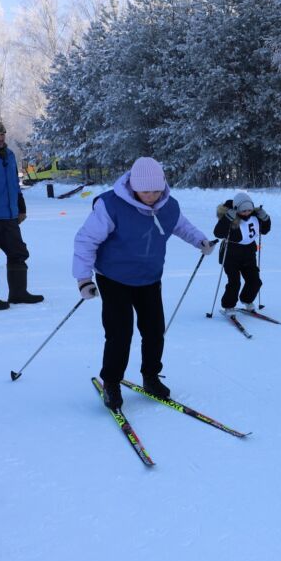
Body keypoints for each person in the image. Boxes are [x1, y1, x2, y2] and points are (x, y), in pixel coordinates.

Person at [73, 157, 215, 409]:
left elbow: (181, 226)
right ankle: (112, 382)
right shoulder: (110, 206)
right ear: (134, 186)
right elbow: (86, 240)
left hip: (149, 277)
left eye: (156, 190)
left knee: (154, 331)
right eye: (145, 191)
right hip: (113, 277)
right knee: (120, 333)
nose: (151, 196)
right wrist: (84, 278)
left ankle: (151, 376)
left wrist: (200, 240)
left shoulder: (168, 205)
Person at [0, 119, 44, 310]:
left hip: (8, 216)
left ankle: (18, 293)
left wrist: (21, 208)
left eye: (2, 134)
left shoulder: (8, 154)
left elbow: (14, 183)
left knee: (18, 253)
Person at [214, 192, 271, 315]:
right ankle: (229, 306)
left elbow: (265, 230)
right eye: (243, 211)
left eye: (249, 210)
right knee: (234, 282)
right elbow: (218, 233)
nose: (247, 213)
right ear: (237, 209)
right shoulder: (231, 217)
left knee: (255, 281)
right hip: (231, 255)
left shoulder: (254, 216)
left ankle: (247, 300)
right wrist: (227, 218)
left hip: (249, 254)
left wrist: (265, 218)